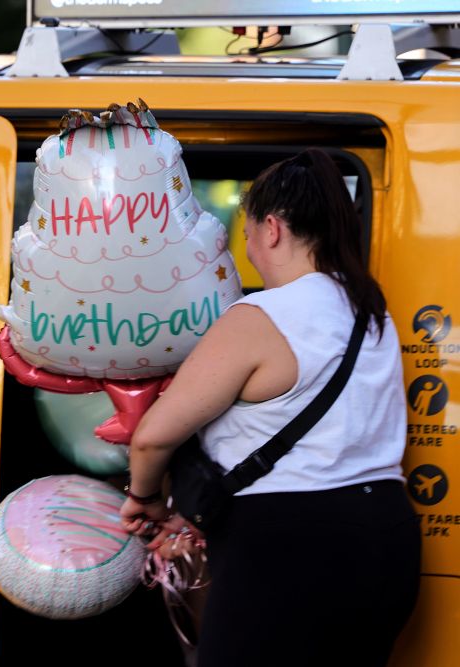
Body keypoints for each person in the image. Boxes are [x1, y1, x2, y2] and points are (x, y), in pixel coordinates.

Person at [118, 148, 420, 667]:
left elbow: (153, 435)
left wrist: (143, 497)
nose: (249, 248)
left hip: (291, 545)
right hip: (387, 537)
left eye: (249, 231)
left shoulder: (260, 316)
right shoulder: (371, 315)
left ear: (273, 229)